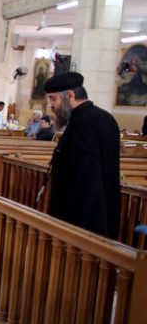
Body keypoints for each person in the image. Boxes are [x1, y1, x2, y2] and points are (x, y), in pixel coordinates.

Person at [44, 71, 120, 239]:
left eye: (53, 99)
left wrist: (78, 230)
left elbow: (86, 179)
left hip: (82, 223)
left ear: (70, 95)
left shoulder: (81, 124)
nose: (51, 105)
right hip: (104, 213)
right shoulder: (105, 118)